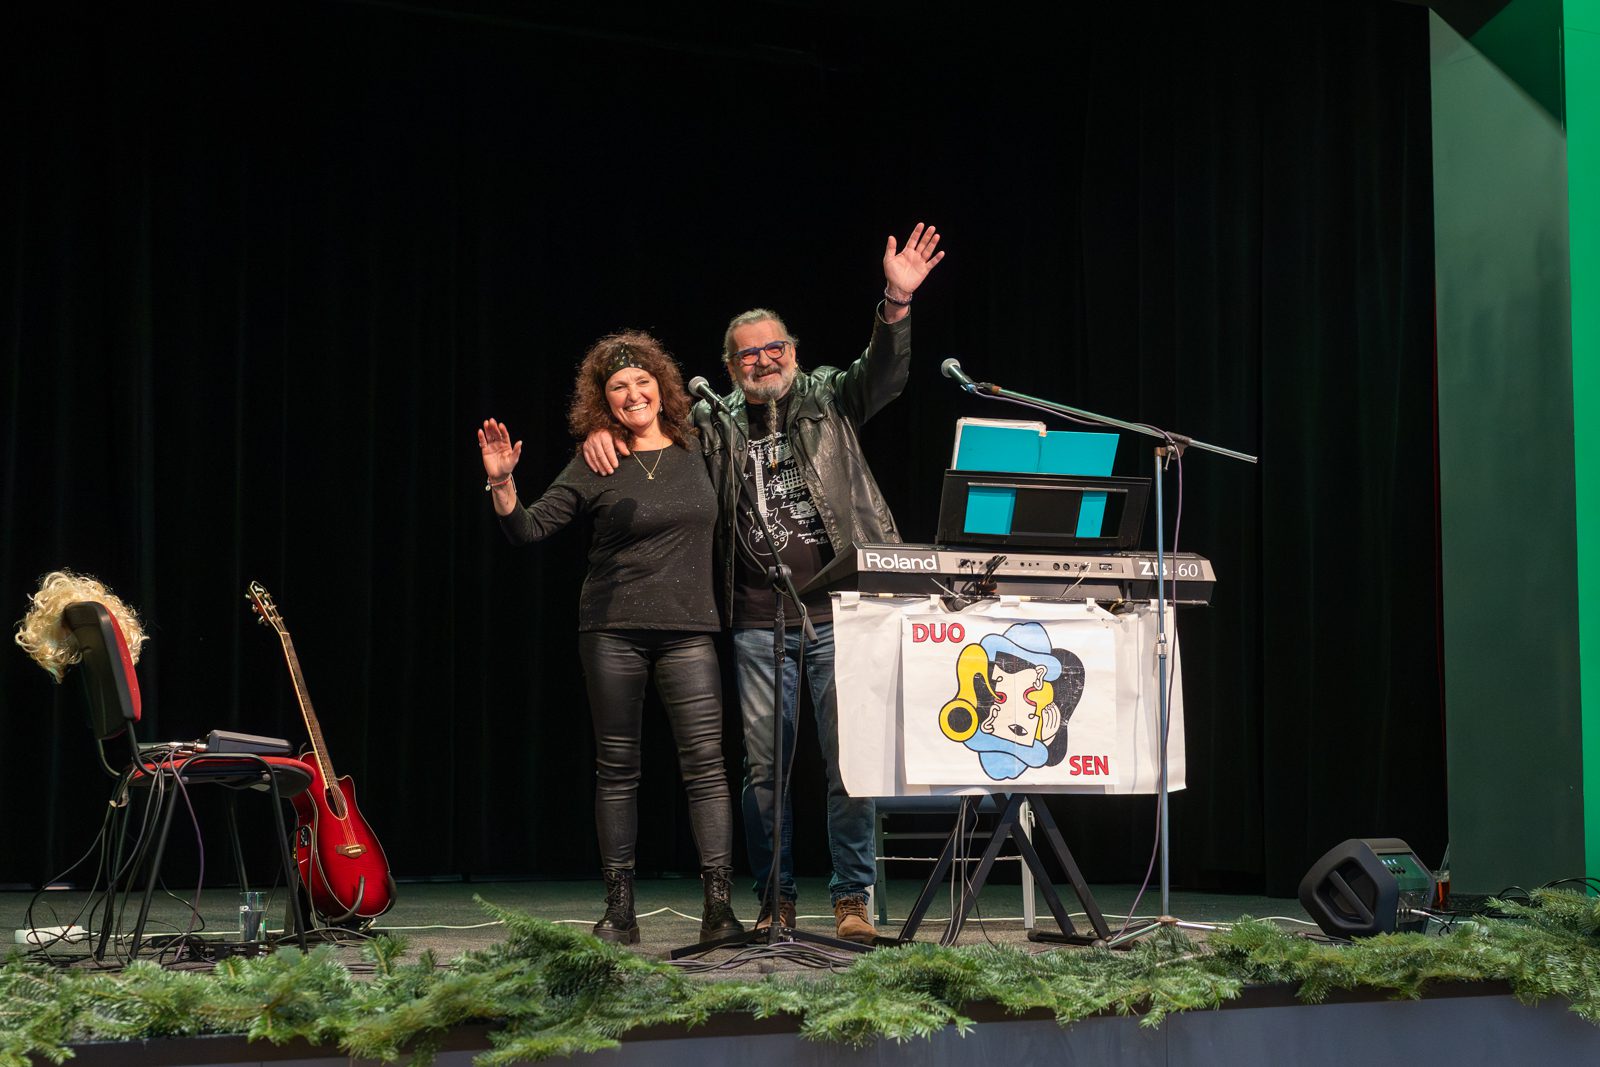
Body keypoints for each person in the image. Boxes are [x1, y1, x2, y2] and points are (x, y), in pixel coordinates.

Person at [582, 224, 945, 944]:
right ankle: (775, 898)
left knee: (849, 764)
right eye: (748, 354)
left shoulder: (828, 398)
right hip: (756, 621)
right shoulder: (711, 424)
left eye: (774, 347)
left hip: (840, 614)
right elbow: (646, 426)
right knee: (763, 773)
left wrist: (896, 303)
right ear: (730, 366)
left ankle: (851, 899)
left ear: (794, 352)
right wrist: (604, 431)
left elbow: (883, 374)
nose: (763, 360)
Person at [478, 331, 743, 946]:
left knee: (706, 767)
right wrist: (502, 484)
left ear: (662, 387)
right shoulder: (596, 459)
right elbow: (529, 529)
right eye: (618, 387)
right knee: (618, 770)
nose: (633, 393)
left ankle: (719, 909)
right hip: (612, 631)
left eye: (642, 381)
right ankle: (620, 911)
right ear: (604, 400)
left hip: (688, 631)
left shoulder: (701, 445)